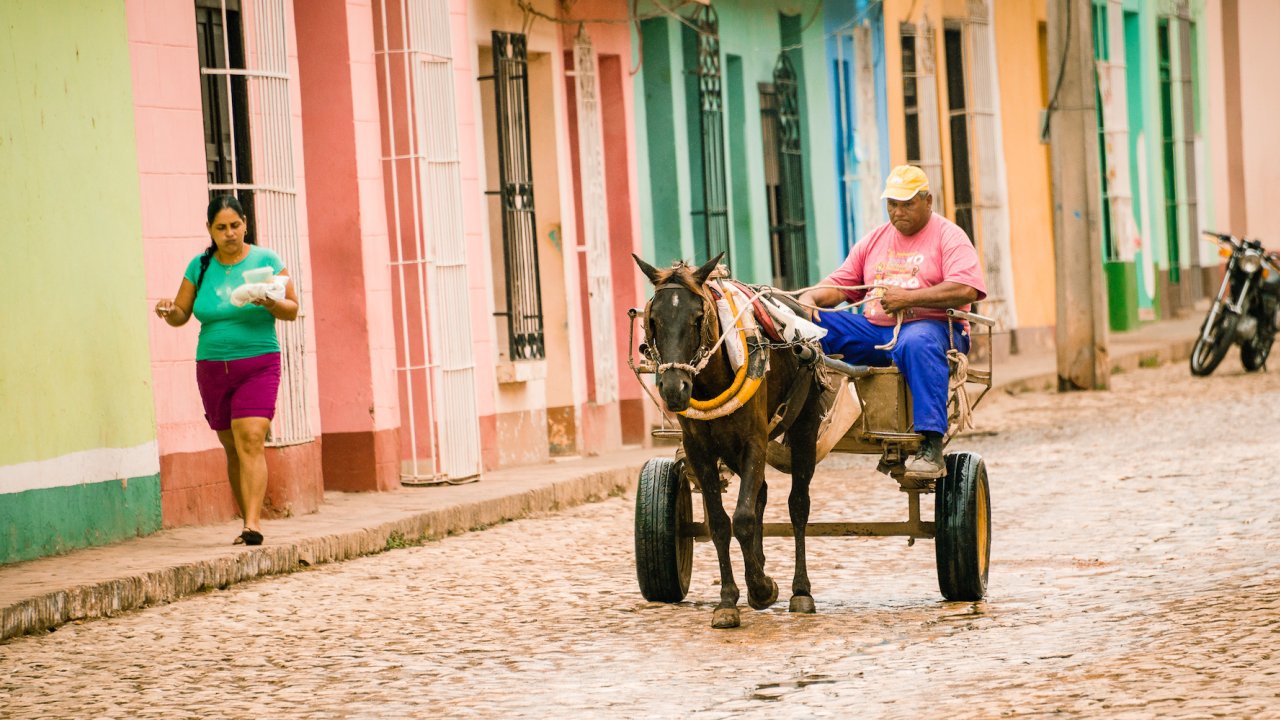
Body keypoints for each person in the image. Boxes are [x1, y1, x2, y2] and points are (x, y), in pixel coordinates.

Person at [798, 166, 986, 479]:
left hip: (934, 329)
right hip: (875, 330)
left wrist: (910, 299)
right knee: (807, 330)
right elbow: (841, 284)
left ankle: (930, 445)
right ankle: (801, 421)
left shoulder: (949, 237)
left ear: (928, 201)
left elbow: (965, 288)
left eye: (907, 203)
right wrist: (811, 298)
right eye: (892, 204)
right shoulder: (875, 240)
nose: (898, 212)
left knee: (916, 341)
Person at [154, 195, 300, 546]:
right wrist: (167, 310)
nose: (230, 233)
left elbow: (292, 309)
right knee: (232, 445)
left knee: (250, 435)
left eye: (235, 225)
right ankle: (245, 516)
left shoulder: (267, 261)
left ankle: (252, 525)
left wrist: (269, 300)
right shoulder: (200, 266)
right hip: (212, 367)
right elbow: (181, 315)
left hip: (258, 362)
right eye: (221, 227)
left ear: (245, 224)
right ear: (210, 230)